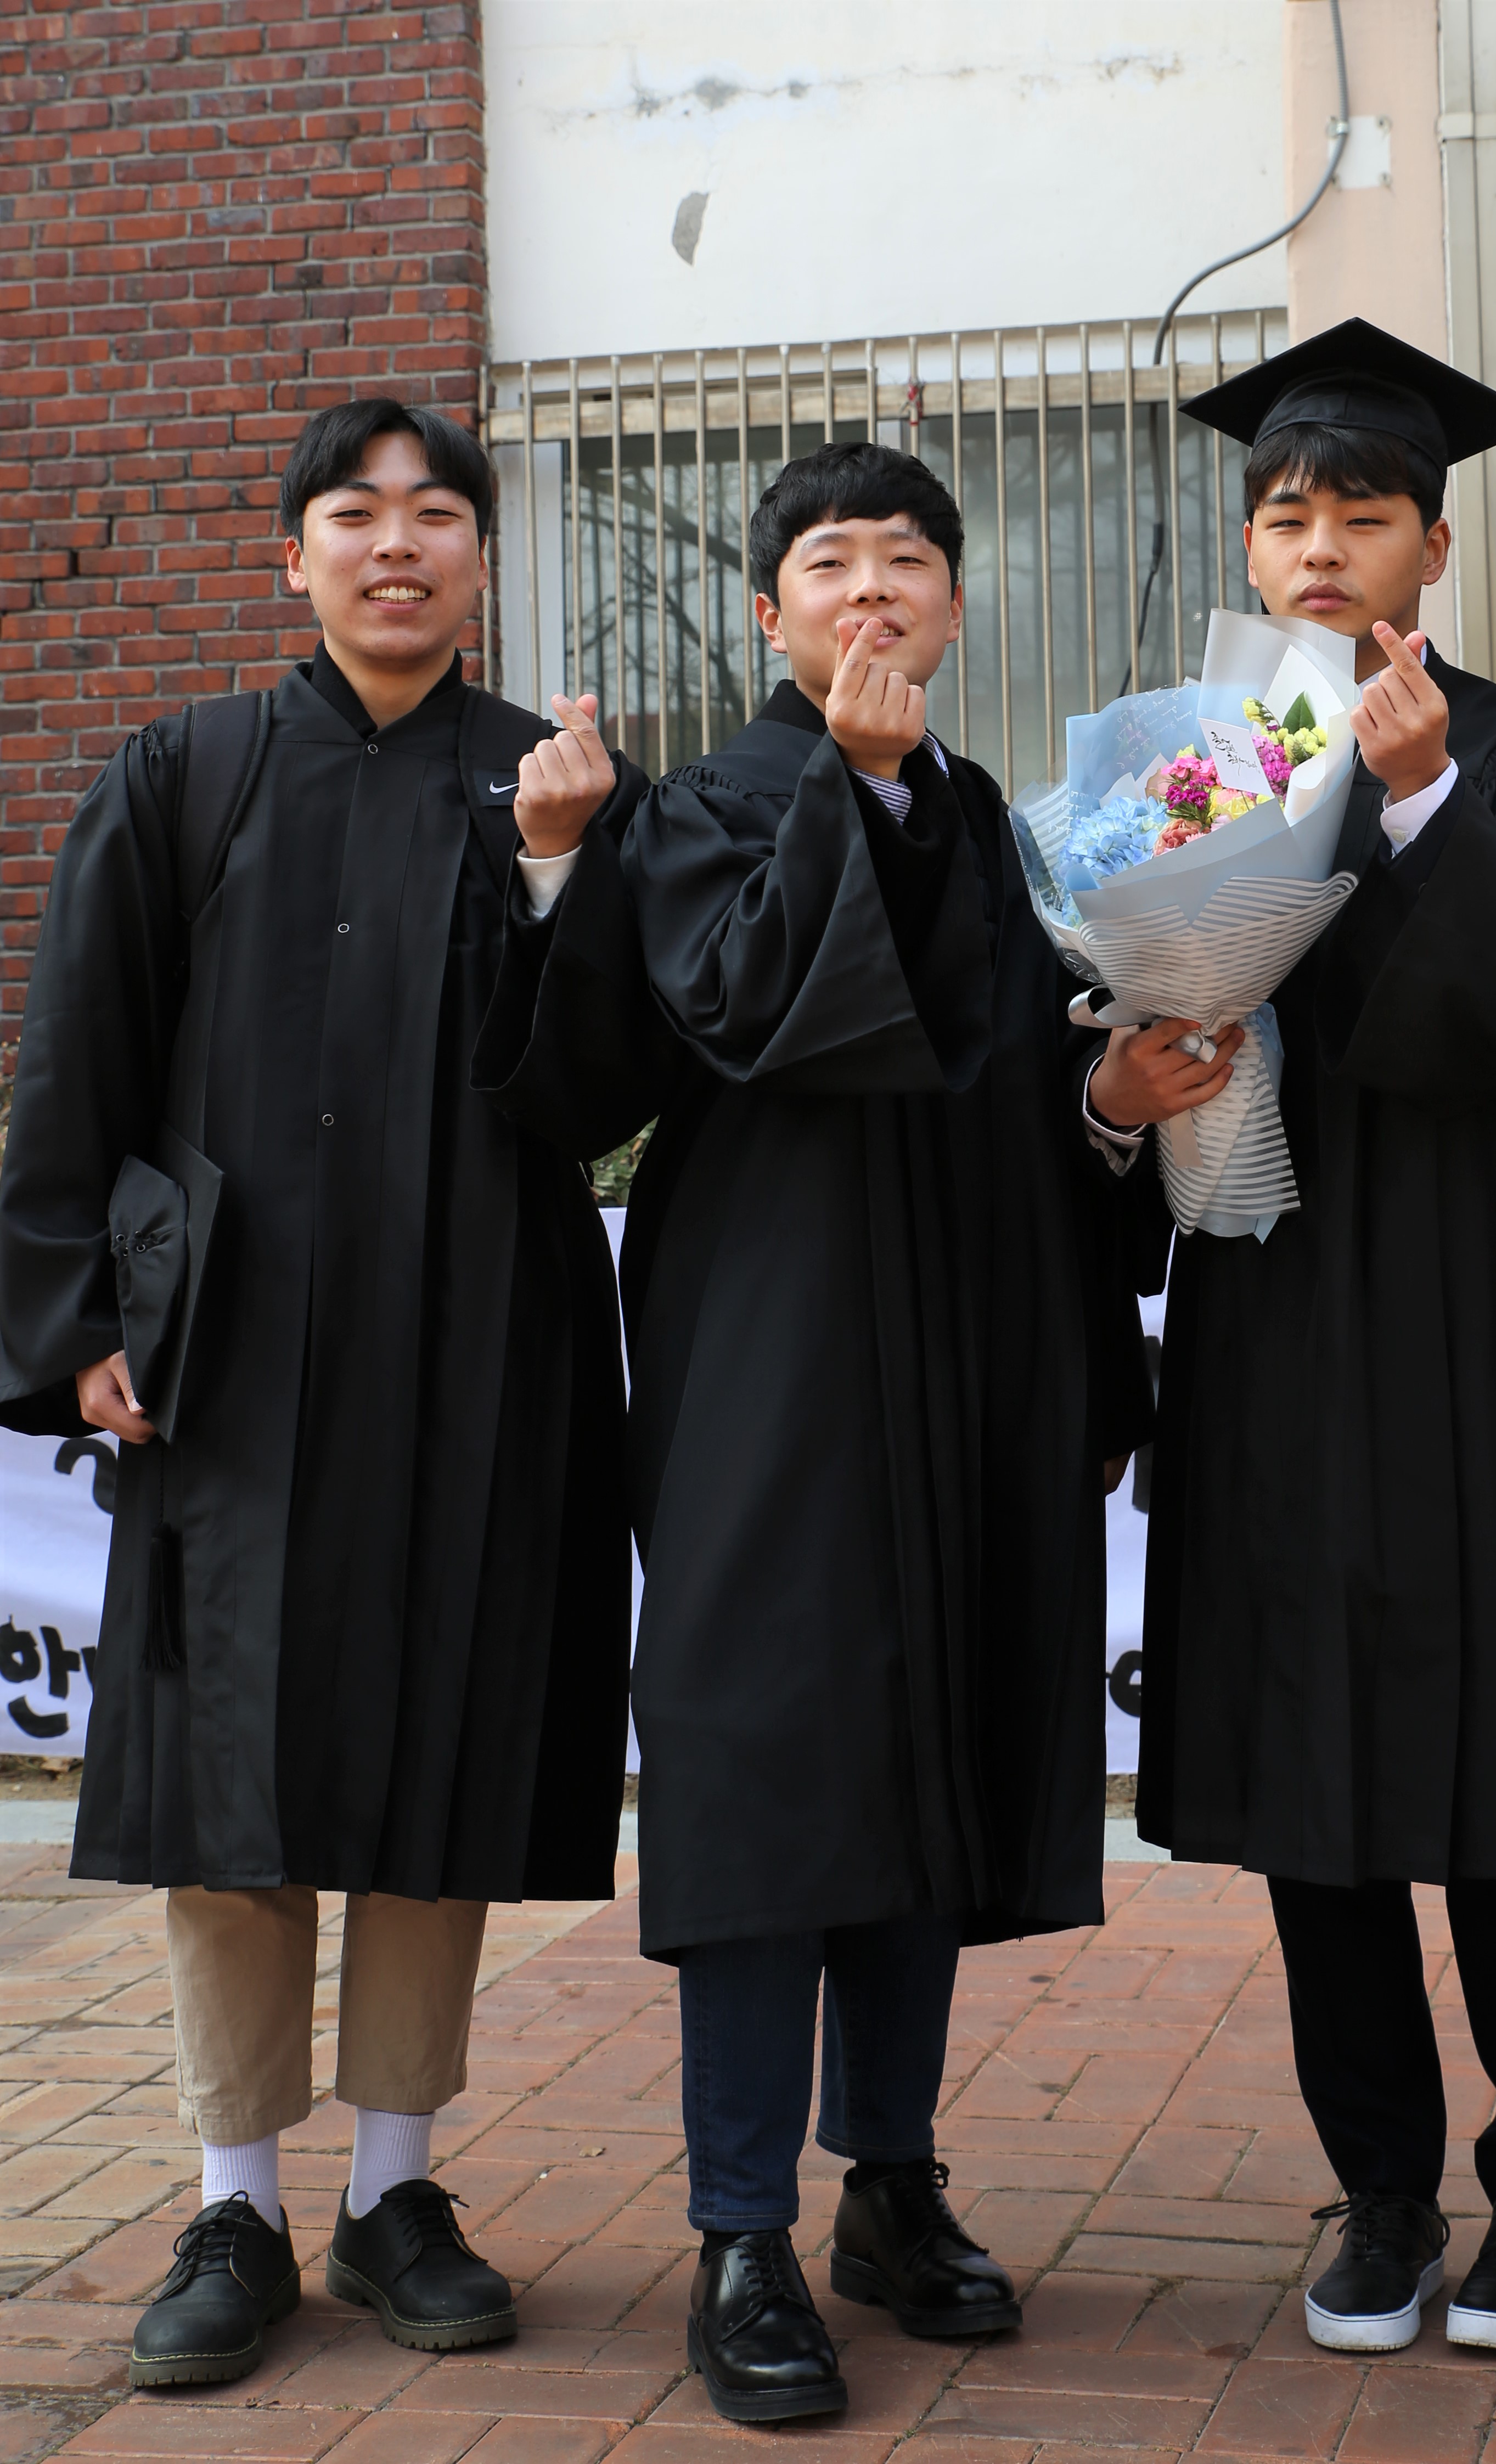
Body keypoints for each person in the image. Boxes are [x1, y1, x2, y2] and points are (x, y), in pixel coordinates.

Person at [474, 439, 1154, 2424]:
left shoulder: (1004, 824)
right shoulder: (709, 806)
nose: (876, 590)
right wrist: (849, 793)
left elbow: (1022, 1102)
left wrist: (1117, 1105)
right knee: (772, 1770)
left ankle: (894, 2182)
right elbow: (755, 1012)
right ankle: (742, 2229)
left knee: (929, 1756)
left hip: (976, 1358)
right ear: (771, 612)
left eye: (911, 559)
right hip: (773, 1368)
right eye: (835, 562)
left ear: (955, 603)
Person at [0, 403, 650, 2388]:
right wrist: (78, 1323)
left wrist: (559, 871)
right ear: (293, 556)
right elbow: (76, 1060)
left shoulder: (555, 785)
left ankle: (392, 2189)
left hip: (481, 1350)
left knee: (437, 1758)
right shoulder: (185, 772)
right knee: (236, 1776)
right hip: (235, 1361)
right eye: (355, 514)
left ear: (482, 562)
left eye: (437, 514)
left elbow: (606, 1094)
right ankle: (234, 2201)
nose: (397, 544)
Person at [1086, 320, 1496, 2357]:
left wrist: (1424, 808)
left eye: (1365, 516)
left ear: (1434, 547)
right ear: (1251, 545)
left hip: (1484, 1322)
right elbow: (1119, 1016)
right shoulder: (1197, 767)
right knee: (1313, 1784)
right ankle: (1384, 2191)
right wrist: (1128, 1073)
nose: (1320, 549)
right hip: (1278, 1308)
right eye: (1286, 515)